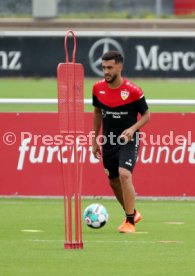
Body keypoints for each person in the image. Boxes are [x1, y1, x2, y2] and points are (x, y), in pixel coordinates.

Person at [92, 50, 150, 233]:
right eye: (103, 68)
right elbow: (96, 112)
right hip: (108, 141)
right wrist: (94, 140)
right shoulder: (97, 88)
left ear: (120, 67)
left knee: (124, 174)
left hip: (128, 139)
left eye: (109, 67)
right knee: (114, 182)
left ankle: (130, 222)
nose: (106, 71)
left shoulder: (133, 91)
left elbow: (147, 115)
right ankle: (132, 212)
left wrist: (133, 129)